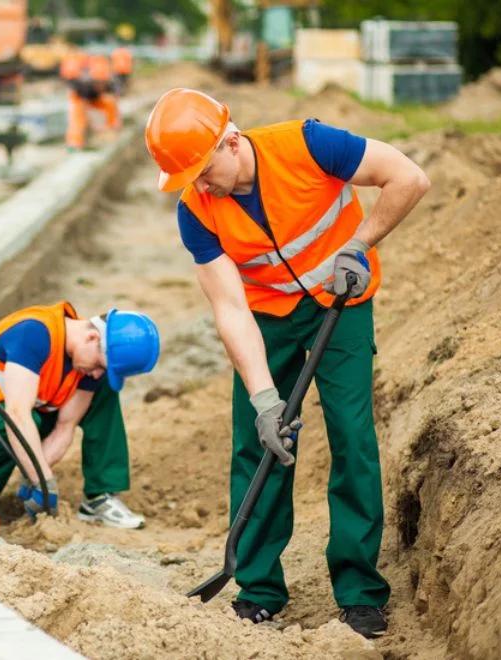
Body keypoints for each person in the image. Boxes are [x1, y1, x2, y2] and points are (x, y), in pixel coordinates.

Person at [144, 88, 430, 638]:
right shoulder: (196, 212)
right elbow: (229, 308)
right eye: (189, 181)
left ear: (231, 141)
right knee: (258, 441)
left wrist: (360, 244)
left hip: (340, 298)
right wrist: (264, 400)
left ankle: (360, 590)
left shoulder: (309, 144)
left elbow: (409, 178)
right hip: (268, 314)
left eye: (204, 171)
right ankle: (259, 590)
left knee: (351, 433)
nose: (201, 186)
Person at [0, 302, 160, 533]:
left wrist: (34, 474)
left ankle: (99, 496)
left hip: (25, 419)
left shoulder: (87, 358)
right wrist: (43, 480)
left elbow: (65, 427)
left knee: (104, 391)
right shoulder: (34, 334)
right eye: (98, 365)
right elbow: (17, 415)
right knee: (8, 421)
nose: (96, 373)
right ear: (92, 338)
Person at [60, 52, 120, 151]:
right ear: (93, 81)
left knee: (110, 102)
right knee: (77, 117)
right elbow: (84, 107)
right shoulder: (85, 86)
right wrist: (93, 125)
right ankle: (74, 143)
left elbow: (115, 101)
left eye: (102, 83)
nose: (100, 86)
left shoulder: (111, 84)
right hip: (78, 99)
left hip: (96, 99)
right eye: (98, 83)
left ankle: (112, 128)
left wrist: (115, 121)